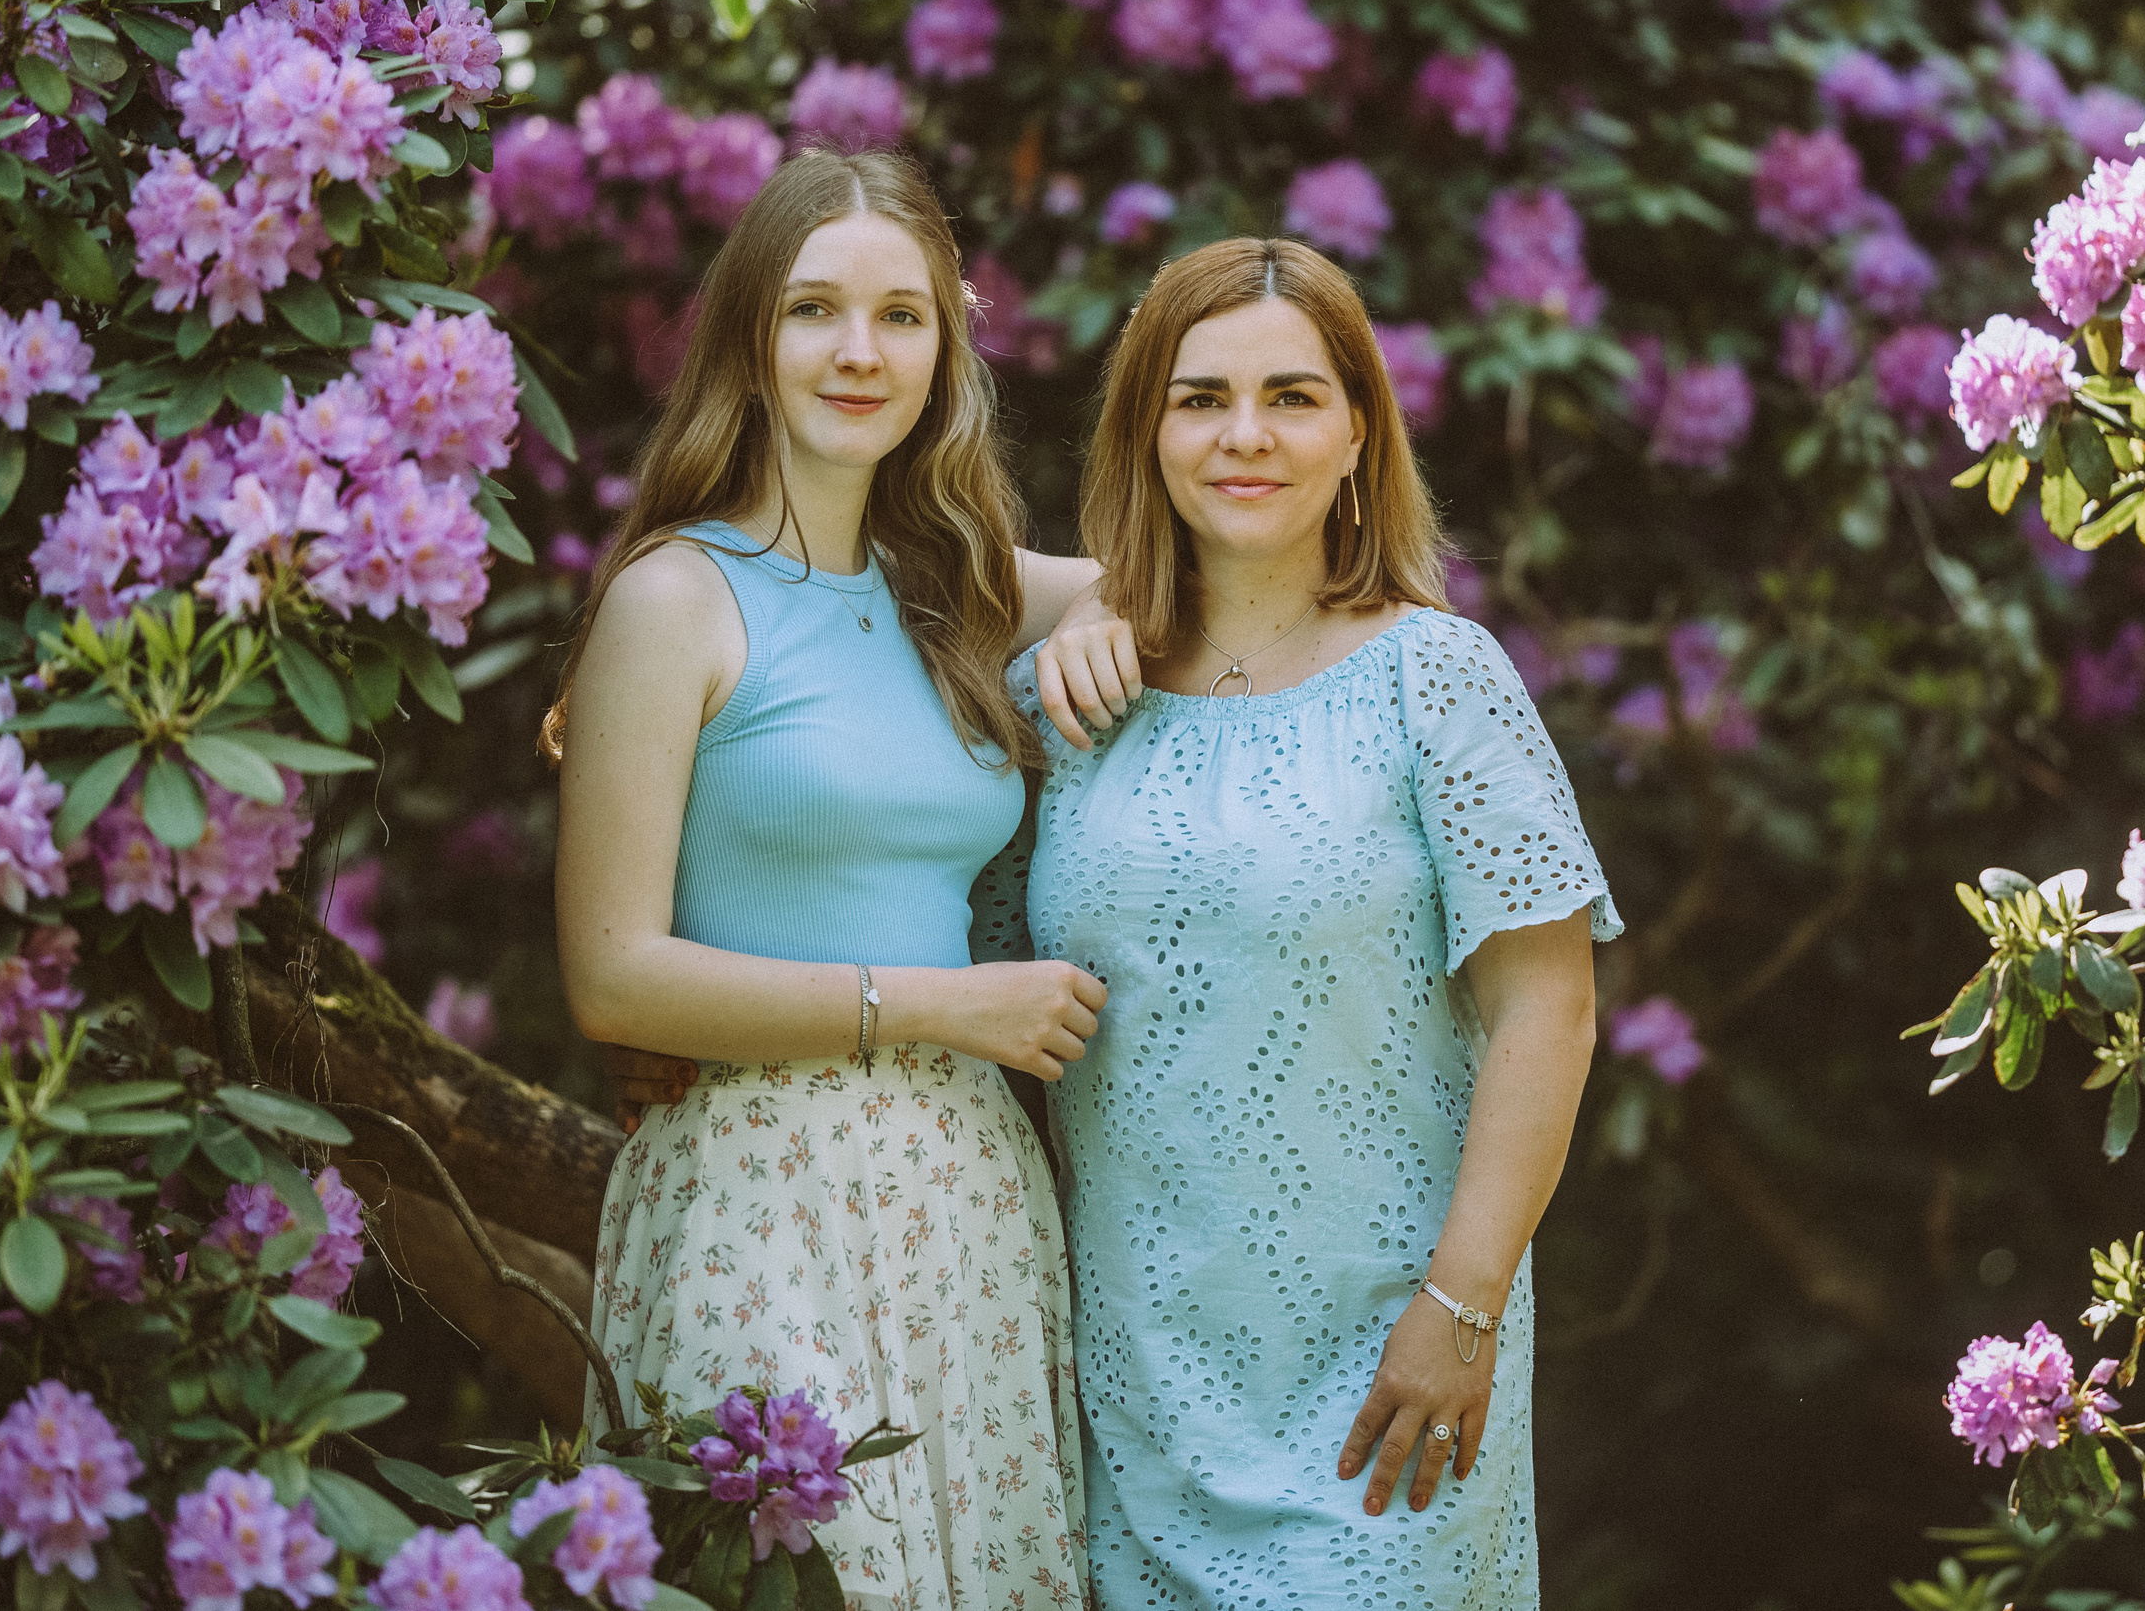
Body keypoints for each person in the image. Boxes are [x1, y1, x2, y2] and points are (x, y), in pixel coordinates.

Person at [546, 148, 1126, 1611]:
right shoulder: (675, 597)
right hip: (758, 1199)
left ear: (947, 351)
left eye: (902, 316)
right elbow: (612, 976)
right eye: (815, 310)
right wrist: (946, 1005)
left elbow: (1183, 577)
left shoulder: (957, 587)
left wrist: (1082, 635)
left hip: (967, 1211)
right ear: (752, 336)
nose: (860, 352)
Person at [1015, 236, 1617, 1608]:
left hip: (1391, 1373)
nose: (1246, 435)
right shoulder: (1069, 698)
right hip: (1132, 1386)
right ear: (1147, 429)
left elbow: (1551, 1006)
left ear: (1359, 431)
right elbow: (847, 604)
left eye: (1291, 396)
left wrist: (1459, 1311)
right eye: (1201, 396)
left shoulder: (1438, 679)